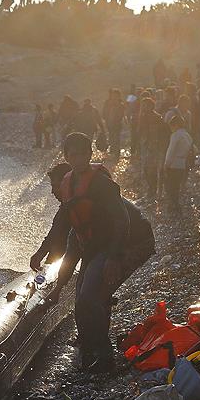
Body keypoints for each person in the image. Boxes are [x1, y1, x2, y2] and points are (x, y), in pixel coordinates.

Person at [32, 135, 154, 372]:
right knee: (81, 300)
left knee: (91, 295)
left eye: (82, 154)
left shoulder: (100, 184)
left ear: (90, 154)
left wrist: (114, 258)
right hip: (97, 244)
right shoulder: (69, 188)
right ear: (66, 156)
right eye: (72, 154)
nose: (78, 159)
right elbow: (66, 243)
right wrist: (55, 286)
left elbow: (122, 221)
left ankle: (105, 357)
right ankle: (89, 353)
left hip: (129, 242)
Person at [163, 114, 195, 212]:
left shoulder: (175, 135)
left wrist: (166, 164)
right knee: (177, 186)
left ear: (175, 125)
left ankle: (172, 205)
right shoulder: (187, 135)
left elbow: (171, 151)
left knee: (170, 186)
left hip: (173, 164)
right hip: (182, 163)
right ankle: (176, 204)